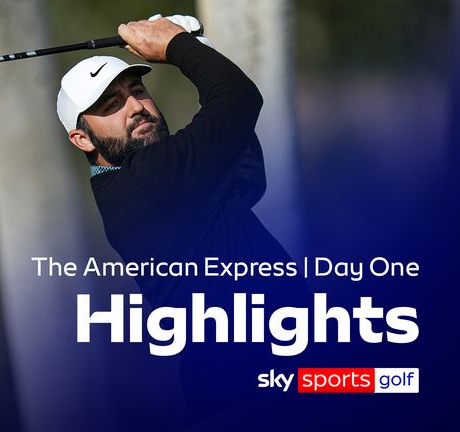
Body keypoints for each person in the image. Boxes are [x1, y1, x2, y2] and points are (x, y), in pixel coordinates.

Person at [57, 15, 306, 430]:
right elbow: (238, 100)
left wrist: (195, 46)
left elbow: (245, 175)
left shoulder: (161, 183)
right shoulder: (149, 183)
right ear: (82, 138)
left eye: (137, 91)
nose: (135, 107)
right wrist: (176, 45)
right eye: (110, 106)